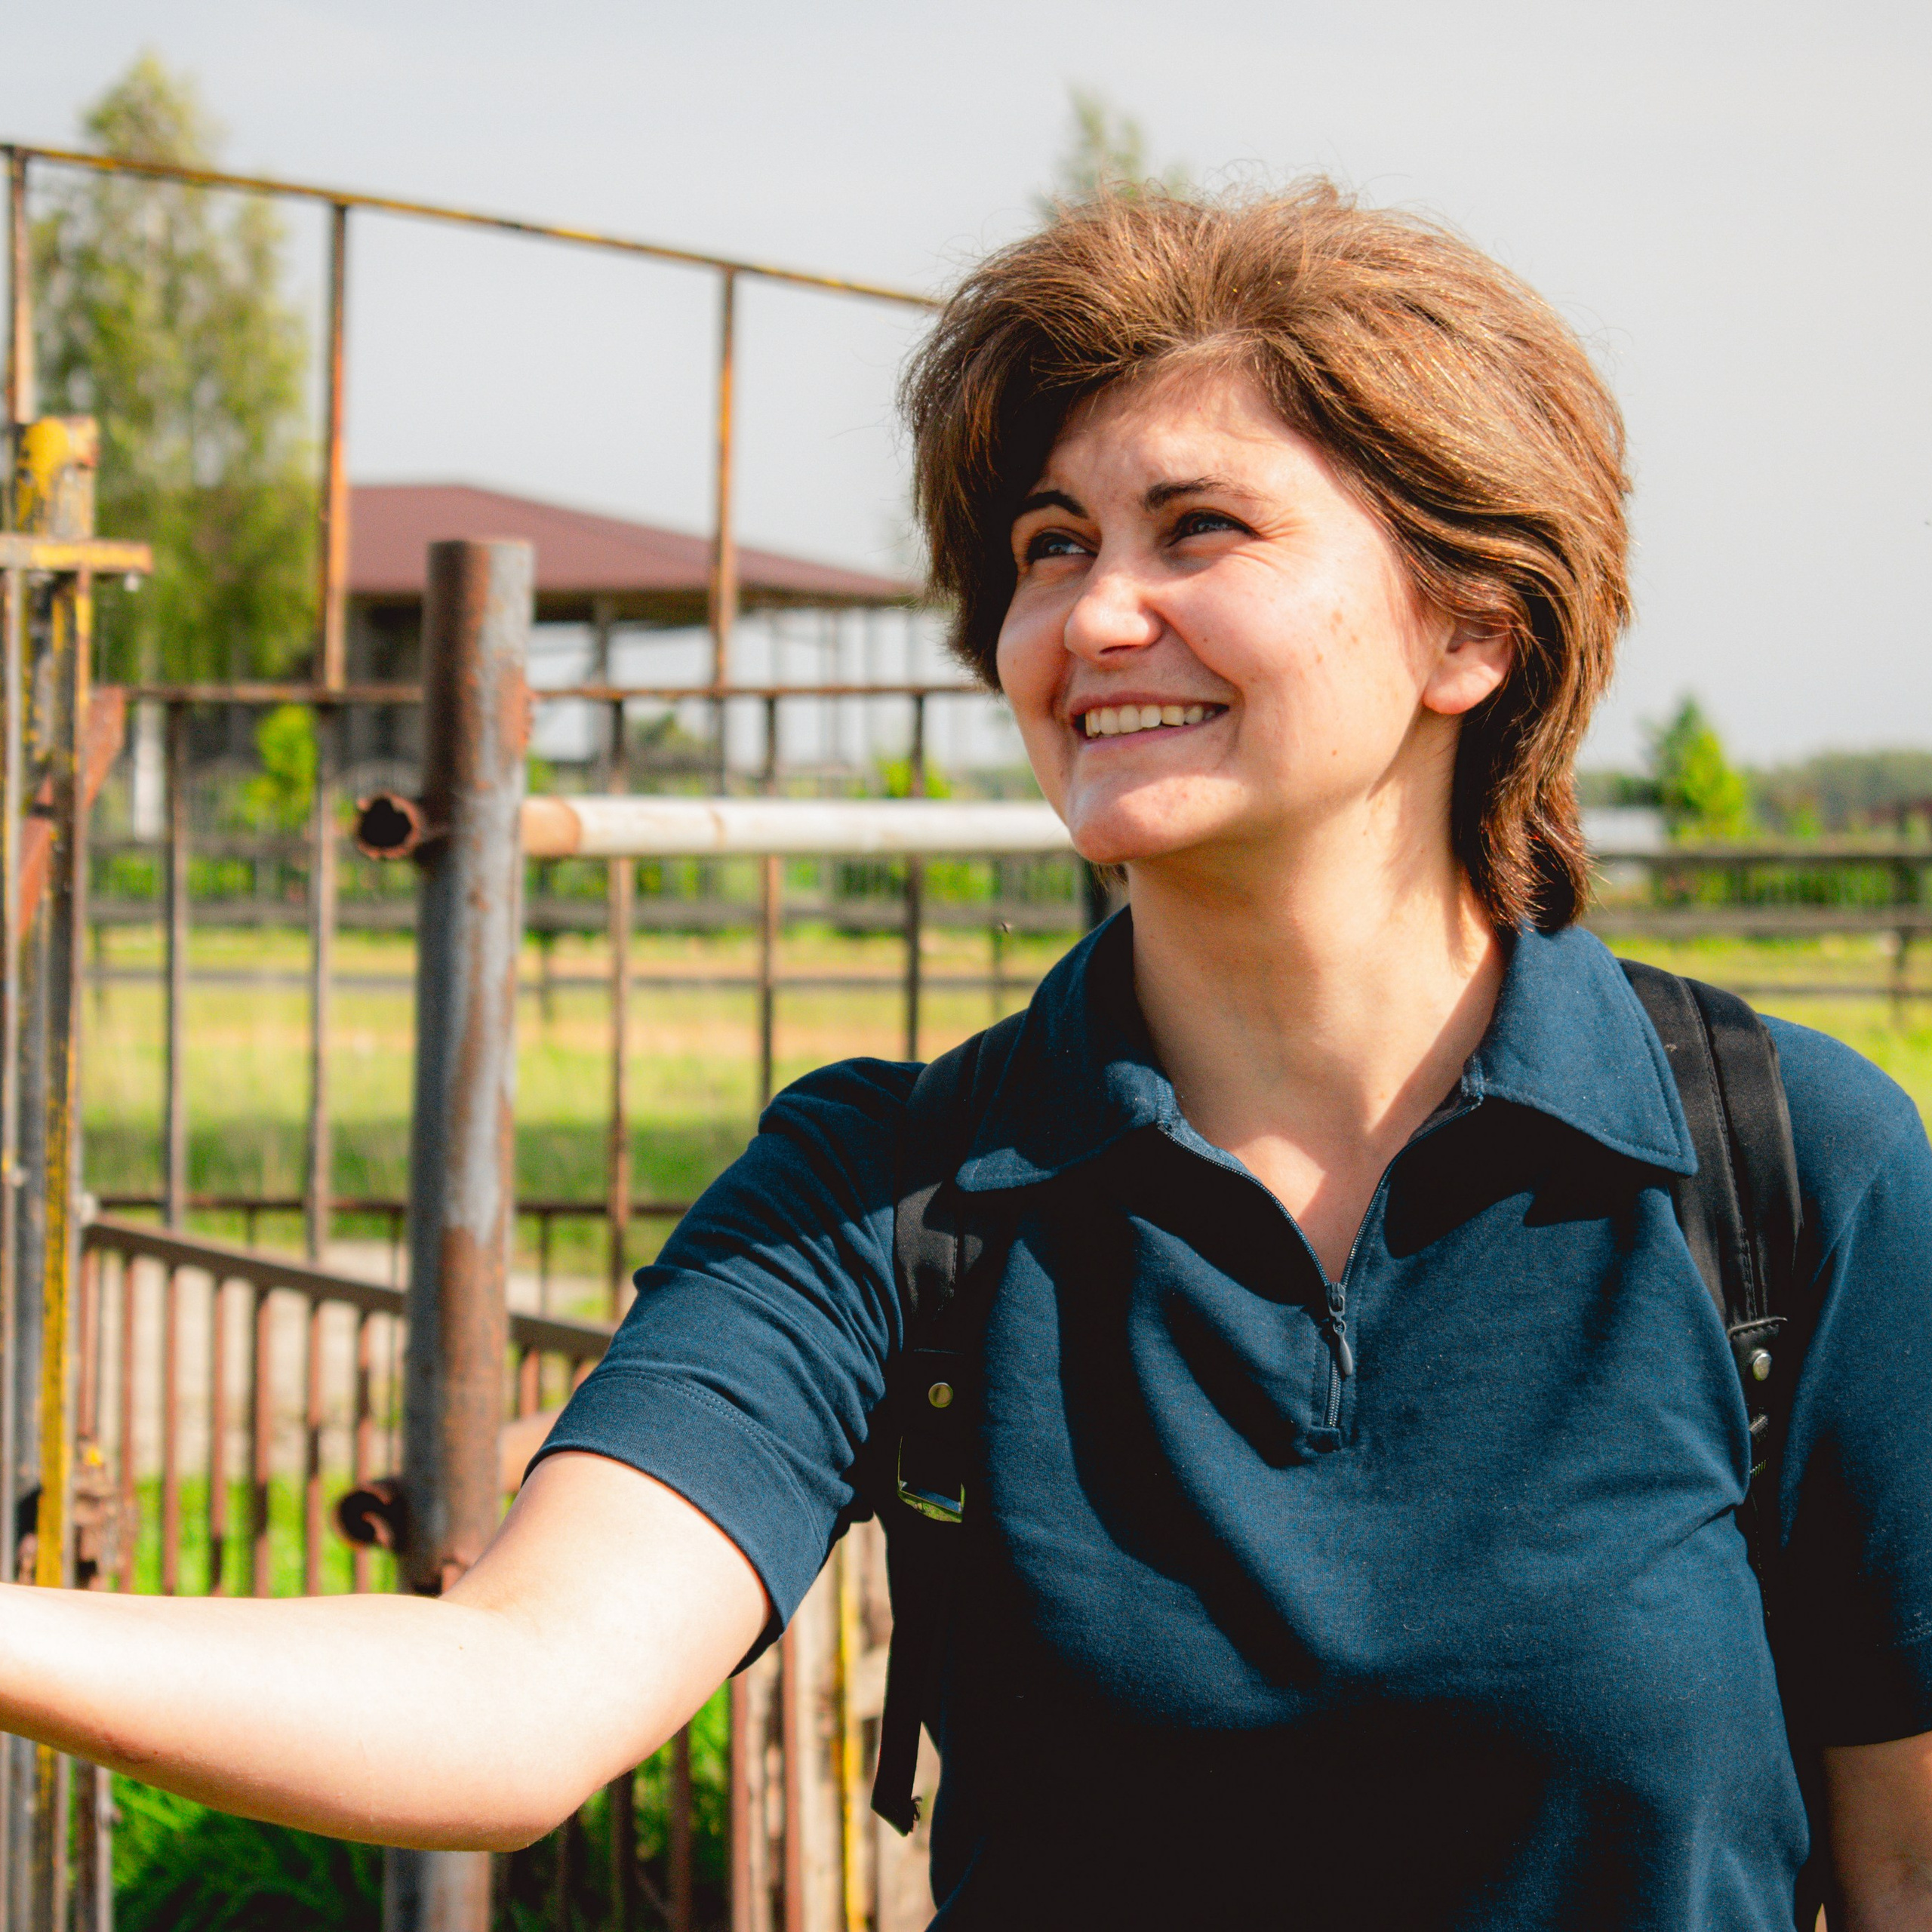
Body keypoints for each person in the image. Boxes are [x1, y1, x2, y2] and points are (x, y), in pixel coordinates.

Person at [4, 183, 1931, 1930]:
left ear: (1471, 629)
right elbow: (514, 1696)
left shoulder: (1780, 1173)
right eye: (1046, 543)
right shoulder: (893, 1192)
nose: (1090, 616)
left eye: (1202, 528)